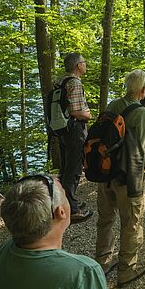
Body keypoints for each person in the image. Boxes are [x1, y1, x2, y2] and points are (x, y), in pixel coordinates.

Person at [95, 69, 145, 287]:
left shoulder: (112, 105)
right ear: (143, 89)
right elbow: (140, 151)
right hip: (128, 178)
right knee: (131, 222)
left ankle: (100, 265)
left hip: (106, 173)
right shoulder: (142, 113)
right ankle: (126, 271)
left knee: (105, 220)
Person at [55, 53, 94, 224]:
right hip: (75, 129)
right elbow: (75, 111)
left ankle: (63, 204)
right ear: (78, 65)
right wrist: (87, 115)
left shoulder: (60, 81)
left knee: (65, 168)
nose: (86, 65)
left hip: (62, 129)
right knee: (74, 168)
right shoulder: (74, 83)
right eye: (84, 62)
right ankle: (72, 209)